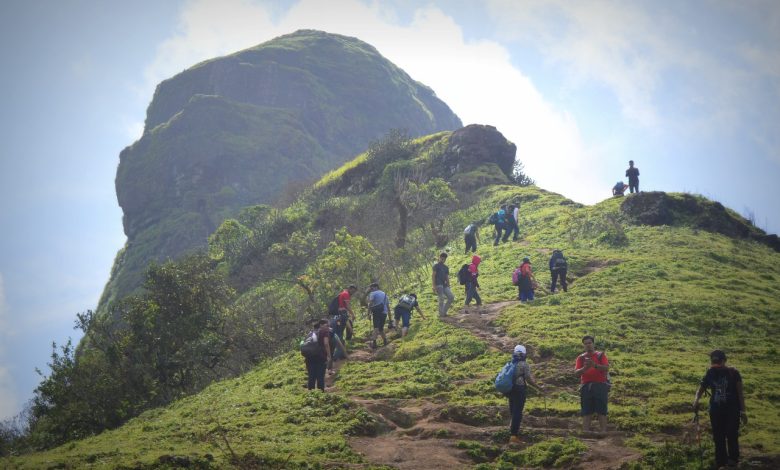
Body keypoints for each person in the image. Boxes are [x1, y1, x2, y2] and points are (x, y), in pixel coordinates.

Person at [693, 350, 747, 469]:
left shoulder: (734, 373)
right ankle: (721, 461)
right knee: (718, 437)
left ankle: (733, 460)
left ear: (724, 361)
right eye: (714, 362)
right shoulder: (710, 372)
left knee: (732, 434)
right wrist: (696, 399)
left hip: (732, 410)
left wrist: (743, 411)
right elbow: (701, 388)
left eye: (718, 362)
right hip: (715, 410)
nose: (716, 364)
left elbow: (740, 393)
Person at [506, 345, 541, 444]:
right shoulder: (524, 364)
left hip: (510, 389)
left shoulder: (510, 363)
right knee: (518, 412)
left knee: (513, 411)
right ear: (524, 354)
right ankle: (514, 436)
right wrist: (538, 387)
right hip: (520, 389)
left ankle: (511, 431)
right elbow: (528, 379)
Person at [575, 335, 609, 433]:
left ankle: (603, 431)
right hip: (586, 386)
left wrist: (594, 365)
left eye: (590, 343)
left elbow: (606, 368)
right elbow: (576, 373)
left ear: (593, 344)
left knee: (601, 409)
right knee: (586, 409)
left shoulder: (600, 355)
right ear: (583, 346)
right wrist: (584, 368)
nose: (588, 345)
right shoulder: (581, 358)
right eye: (586, 344)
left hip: (600, 385)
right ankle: (585, 431)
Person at [304, 319, 331, 391]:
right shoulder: (324, 332)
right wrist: (329, 355)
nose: (328, 327)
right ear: (321, 325)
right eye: (327, 325)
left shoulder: (309, 333)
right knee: (320, 377)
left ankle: (311, 395)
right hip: (320, 357)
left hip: (309, 358)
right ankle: (320, 394)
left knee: (311, 377)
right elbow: (326, 343)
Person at [367, 283, 390, 349]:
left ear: (376, 287)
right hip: (384, 312)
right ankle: (385, 341)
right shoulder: (384, 294)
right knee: (381, 328)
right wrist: (390, 318)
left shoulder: (373, 294)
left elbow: (370, 304)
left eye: (372, 288)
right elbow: (388, 306)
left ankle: (374, 343)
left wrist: (368, 313)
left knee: (376, 327)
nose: (371, 290)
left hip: (376, 312)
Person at [432, 252, 455, 317]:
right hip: (438, 284)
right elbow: (433, 276)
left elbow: (447, 277)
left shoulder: (446, 267)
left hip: (444, 285)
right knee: (441, 298)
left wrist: (448, 285)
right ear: (439, 258)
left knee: (451, 297)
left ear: (445, 259)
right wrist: (433, 286)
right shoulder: (436, 266)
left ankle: (443, 312)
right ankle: (441, 314)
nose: (442, 260)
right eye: (441, 258)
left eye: (444, 259)